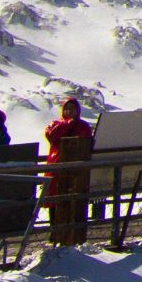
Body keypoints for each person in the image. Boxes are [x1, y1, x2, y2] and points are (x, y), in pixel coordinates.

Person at [44, 98, 96, 246]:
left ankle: (74, 234)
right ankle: (54, 233)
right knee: (55, 201)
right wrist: (67, 124)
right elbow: (52, 136)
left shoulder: (83, 126)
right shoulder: (55, 124)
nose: (69, 112)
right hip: (56, 167)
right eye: (67, 109)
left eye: (72, 108)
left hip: (76, 170)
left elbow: (87, 143)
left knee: (74, 200)